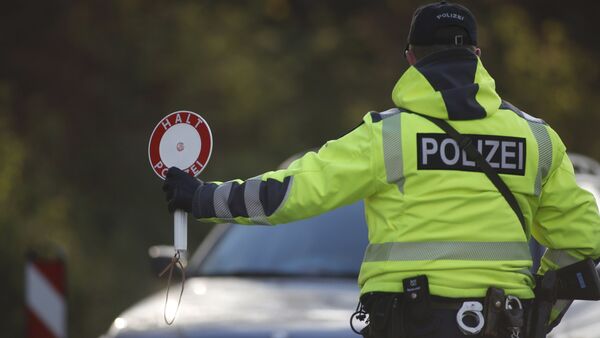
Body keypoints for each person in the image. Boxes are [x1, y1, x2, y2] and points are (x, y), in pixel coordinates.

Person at [162, 2, 600, 337]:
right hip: (504, 323)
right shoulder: (537, 139)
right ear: (478, 55)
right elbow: (583, 241)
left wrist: (203, 197)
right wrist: (540, 312)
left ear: (411, 57)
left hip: (409, 322)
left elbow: (292, 193)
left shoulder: (388, 137)